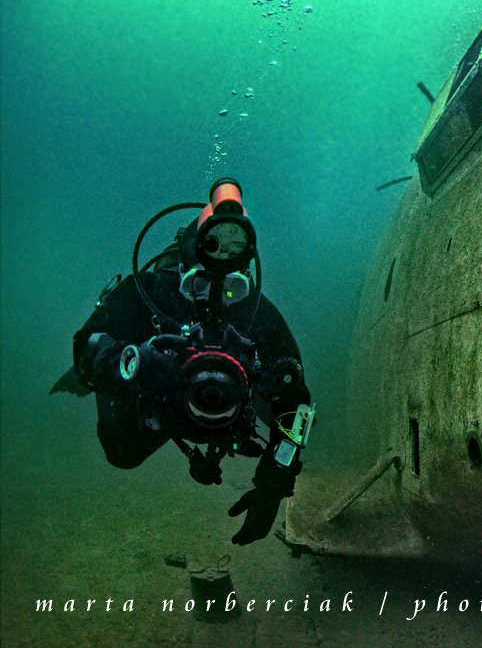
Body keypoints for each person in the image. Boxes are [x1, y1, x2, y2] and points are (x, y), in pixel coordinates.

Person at [54, 179, 315, 545]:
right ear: (178, 273)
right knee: (121, 453)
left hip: (227, 418)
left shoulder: (257, 313)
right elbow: (87, 347)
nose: (214, 302)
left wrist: (273, 483)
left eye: (232, 290)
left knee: (279, 392)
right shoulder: (148, 293)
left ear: (245, 285)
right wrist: (136, 363)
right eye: (198, 286)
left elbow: (296, 405)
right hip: (158, 406)